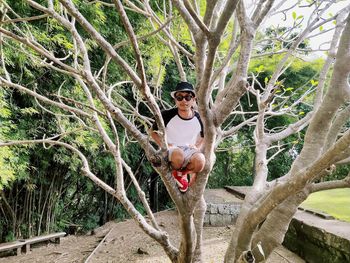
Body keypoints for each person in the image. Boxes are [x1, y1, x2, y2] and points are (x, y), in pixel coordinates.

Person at [150, 81, 206, 193]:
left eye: (187, 97)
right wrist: (164, 144)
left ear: (193, 99)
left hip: (189, 150)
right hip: (172, 150)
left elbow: (206, 136)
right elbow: (152, 132)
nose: (183, 100)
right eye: (179, 97)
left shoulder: (200, 118)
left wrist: (197, 147)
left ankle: (182, 174)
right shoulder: (166, 115)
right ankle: (177, 172)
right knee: (178, 155)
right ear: (175, 100)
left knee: (200, 161)